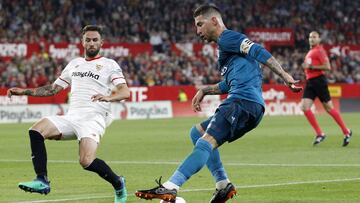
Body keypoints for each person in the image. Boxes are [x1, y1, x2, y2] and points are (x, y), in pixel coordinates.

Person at [135, 4, 302, 203]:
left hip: (240, 102)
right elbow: (229, 83)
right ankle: (223, 185)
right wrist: (205, 90)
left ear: (214, 21)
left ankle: (170, 187)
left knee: (205, 143)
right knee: (196, 132)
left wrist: (284, 75)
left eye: (200, 25)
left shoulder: (227, 37)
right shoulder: (226, 49)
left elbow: (258, 50)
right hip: (251, 106)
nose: (197, 31)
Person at [7, 25, 129, 203]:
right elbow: (52, 89)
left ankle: (118, 183)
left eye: (95, 39)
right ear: (82, 42)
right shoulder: (74, 64)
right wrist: (25, 91)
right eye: (88, 39)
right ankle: (42, 180)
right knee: (36, 130)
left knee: (86, 161)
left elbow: (125, 92)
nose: (91, 42)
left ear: (101, 42)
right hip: (72, 117)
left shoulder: (110, 65)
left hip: (93, 118)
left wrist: (108, 97)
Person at [301, 31, 352, 146]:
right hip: (310, 82)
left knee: (329, 108)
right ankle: (320, 133)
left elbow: (327, 67)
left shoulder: (319, 50)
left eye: (314, 37)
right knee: (305, 107)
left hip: (319, 80)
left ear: (319, 39)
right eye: (310, 37)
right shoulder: (310, 52)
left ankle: (346, 131)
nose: (311, 39)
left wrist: (311, 67)